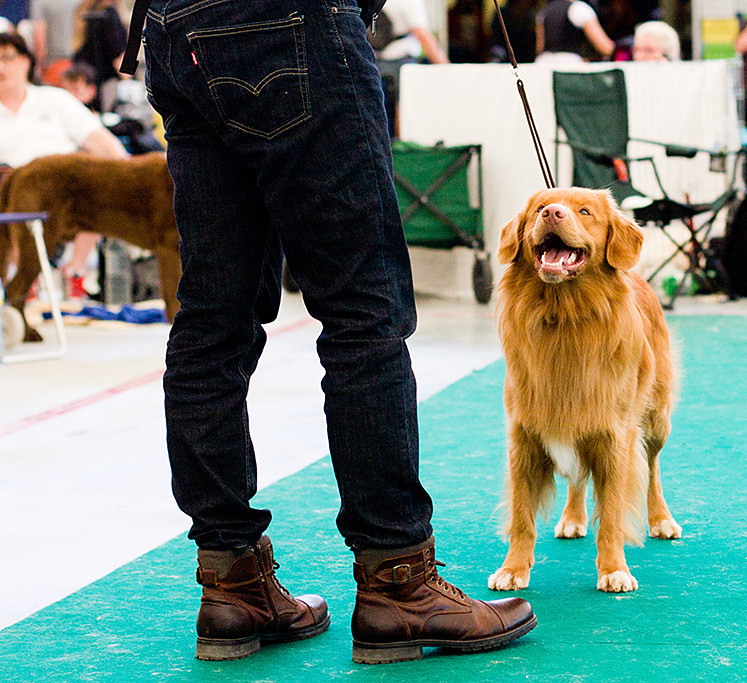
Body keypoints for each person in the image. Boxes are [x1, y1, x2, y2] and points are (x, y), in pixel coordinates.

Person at [126, 0, 536, 665]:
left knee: (212, 317)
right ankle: (396, 582)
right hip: (290, 20)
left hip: (175, 28)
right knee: (362, 309)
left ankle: (232, 582)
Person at [0, 31, 125, 298]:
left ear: (26, 61)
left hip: (68, 186)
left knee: (100, 177)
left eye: (7, 58)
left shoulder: (54, 100)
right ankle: (25, 279)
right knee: (19, 192)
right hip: (14, 189)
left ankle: (75, 270)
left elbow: (109, 148)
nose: (0, 67)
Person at [371, 0, 447, 137]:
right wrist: (446, 67)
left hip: (376, 60)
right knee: (406, 106)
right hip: (402, 61)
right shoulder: (410, 1)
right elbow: (423, 35)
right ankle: (403, 144)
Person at [71, 0, 126, 111]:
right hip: (104, 80)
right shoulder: (108, 13)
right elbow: (115, 49)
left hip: (84, 76)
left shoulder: (84, 9)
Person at [535, 0, 614, 63]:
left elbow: (539, 48)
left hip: (543, 64)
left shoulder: (544, 11)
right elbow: (605, 48)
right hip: (570, 66)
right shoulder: (579, 8)